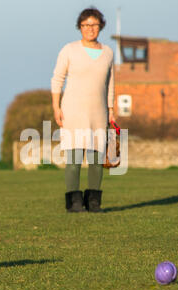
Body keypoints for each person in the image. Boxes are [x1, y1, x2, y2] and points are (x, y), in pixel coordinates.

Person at [51, 7, 115, 213]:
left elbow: (111, 83)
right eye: (86, 25)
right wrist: (56, 106)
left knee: (97, 159)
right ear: (80, 27)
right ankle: (74, 203)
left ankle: (94, 202)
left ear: (101, 26)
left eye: (94, 24)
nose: (90, 29)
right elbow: (57, 79)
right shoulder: (68, 50)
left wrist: (111, 108)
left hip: (99, 112)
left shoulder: (108, 53)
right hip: (73, 111)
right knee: (74, 158)